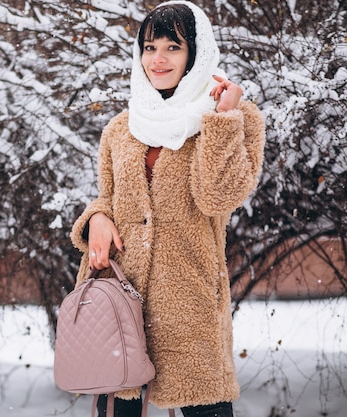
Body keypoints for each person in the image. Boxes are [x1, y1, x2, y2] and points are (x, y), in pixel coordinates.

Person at [69, 1, 266, 416]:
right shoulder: (122, 127)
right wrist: (97, 220)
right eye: (149, 46)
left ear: (195, 53)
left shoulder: (234, 117)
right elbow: (108, 196)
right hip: (120, 300)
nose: (157, 59)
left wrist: (222, 120)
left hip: (189, 303)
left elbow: (218, 197)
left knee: (206, 409)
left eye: (173, 47)